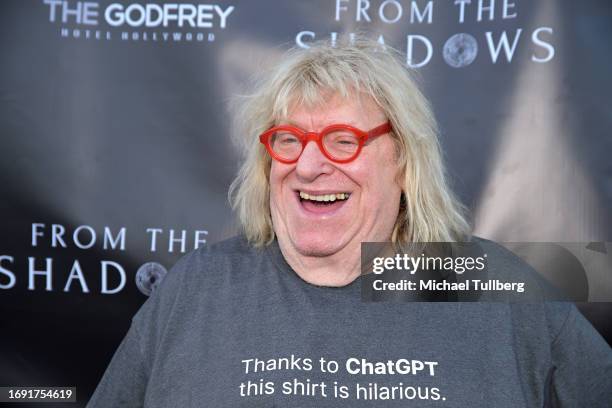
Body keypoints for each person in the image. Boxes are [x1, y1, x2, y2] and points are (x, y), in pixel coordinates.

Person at [87, 38, 612, 407]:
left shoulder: (502, 293)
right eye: (289, 140)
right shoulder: (196, 288)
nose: (309, 166)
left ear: (404, 162)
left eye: (344, 140)